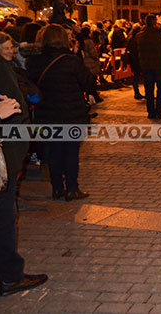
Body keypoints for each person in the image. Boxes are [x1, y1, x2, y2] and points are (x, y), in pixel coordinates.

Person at [0, 34, 49, 296]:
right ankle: (10, 276)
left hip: (6, 149)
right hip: (3, 154)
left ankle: (9, 274)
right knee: (3, 218)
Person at [27, 24, 96, 201]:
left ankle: (57, 187)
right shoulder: (71, 61)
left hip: (47, 114)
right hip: (71, 114)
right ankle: (72, 188)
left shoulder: (34, 62)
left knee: (54, 151)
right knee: (71, 152)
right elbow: (89, 82)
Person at [136, 15, 161, 119]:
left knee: (149, 90)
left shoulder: (139, 36)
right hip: (159, 65)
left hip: (146, 66)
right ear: (154, 23)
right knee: (160, 89)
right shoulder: (158, 35)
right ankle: (159, 111)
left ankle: (150, 112)